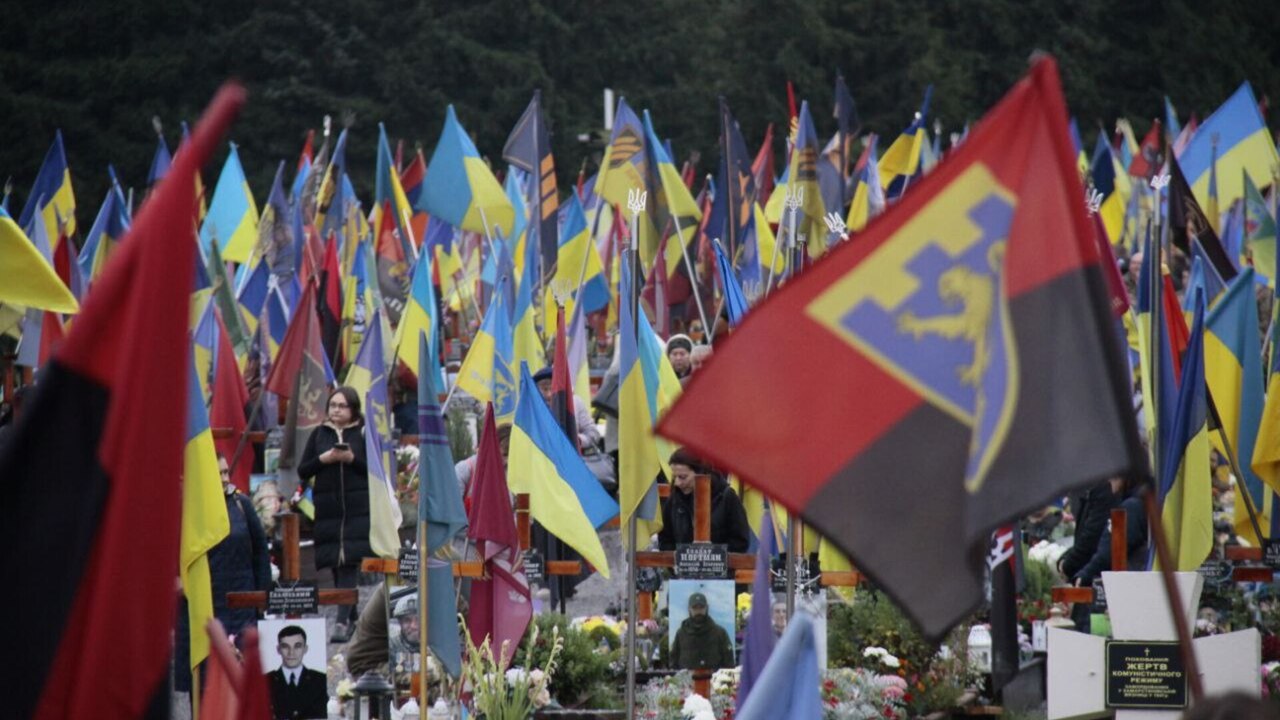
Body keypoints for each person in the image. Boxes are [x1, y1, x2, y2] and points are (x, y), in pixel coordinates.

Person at [174, 455, 273, 694]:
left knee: (242, 680)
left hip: (242, 604)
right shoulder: (187, 508)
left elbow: (260, 552)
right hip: (203, 608)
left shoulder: (242, 504)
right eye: (218, 473)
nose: (225, 478)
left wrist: (263, 597)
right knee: (206, 687)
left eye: (226, 472)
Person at [298, 386, 370, 643]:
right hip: (328, 511)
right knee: (335, 564)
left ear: (353, 410)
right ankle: (351, 615)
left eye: (342, 406)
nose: (336, 410)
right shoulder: (319, 434)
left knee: (348, 562)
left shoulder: (363, 433)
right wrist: (324, 458)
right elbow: (303, 469)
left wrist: (351, 459)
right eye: (333, 405)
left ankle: (340, 621)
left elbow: (375, 472)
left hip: (357, 510)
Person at [657, 448, 751, 553]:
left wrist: (715, 557)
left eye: (683, 477)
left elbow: (740, 542)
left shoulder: (727, 498)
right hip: (682, 569)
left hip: (721, 568)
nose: (677, 483)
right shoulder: (674, 500)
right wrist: (680, 562)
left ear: (701, 473)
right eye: (674, 477)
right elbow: (665, 540)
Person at [266, 625, 329, 720]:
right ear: (278, 649)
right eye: (285, 647)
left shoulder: (319, 679)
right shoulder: (265, 680)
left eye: (297, 646)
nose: (291, 653)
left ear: (305, 649)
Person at [670, 592, 734, 670]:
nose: (698, 611)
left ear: (707, 608)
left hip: (713, 680)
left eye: (701, 607)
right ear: (689, 609)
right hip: (687, 681)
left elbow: (729, 663)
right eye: (695, 608)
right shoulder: (681, 634)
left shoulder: (720, 633)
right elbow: (673, 663)